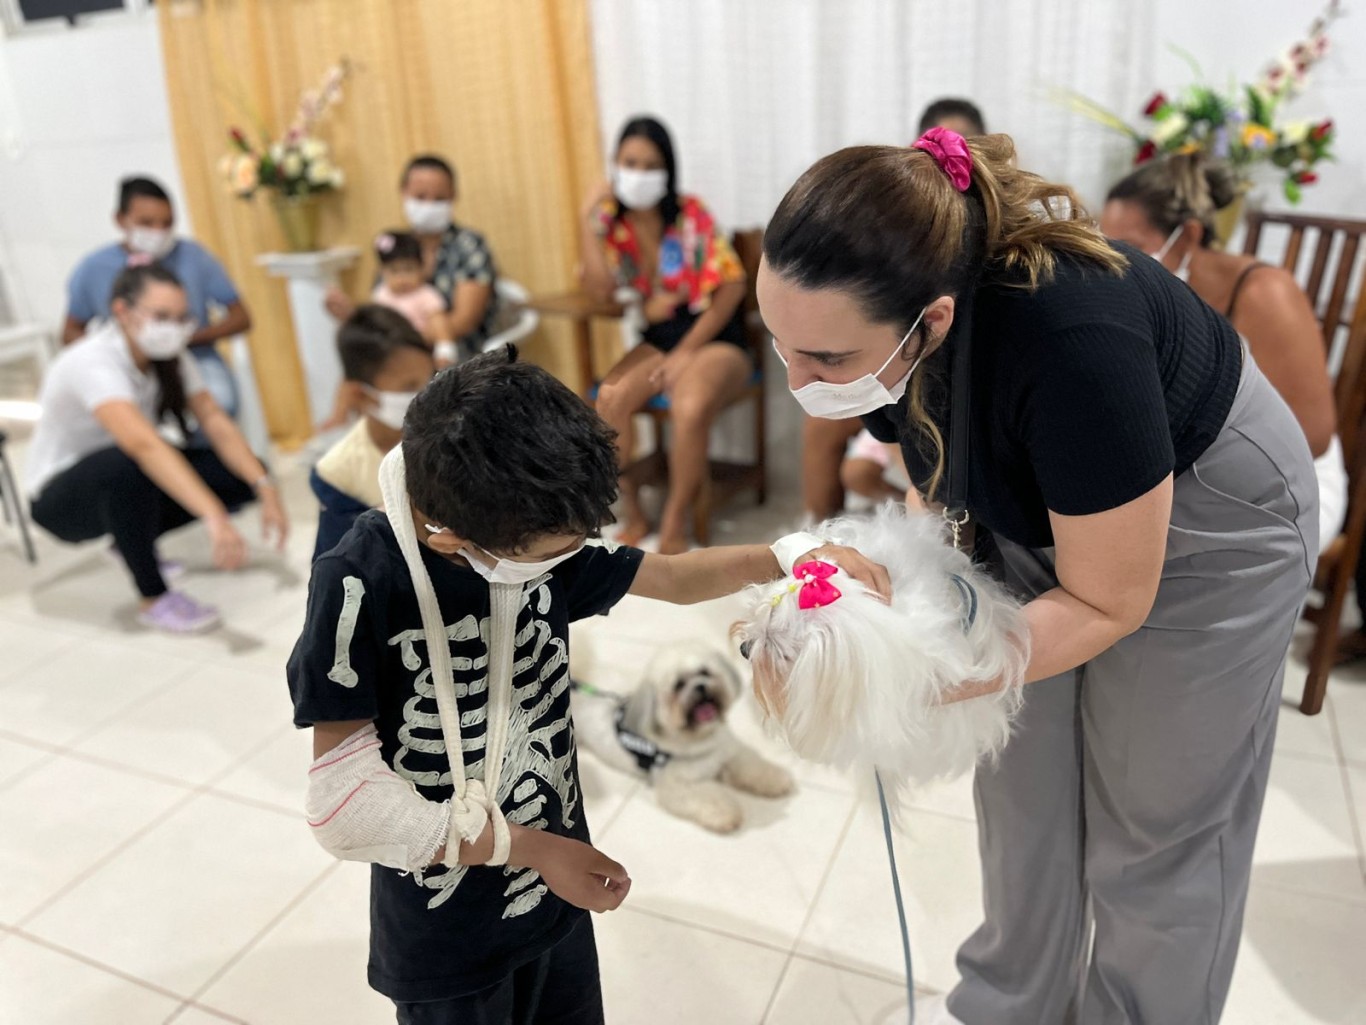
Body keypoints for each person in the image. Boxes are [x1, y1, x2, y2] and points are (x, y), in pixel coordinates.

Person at [759, 129, 1316, 1024]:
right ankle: (1008, 1004)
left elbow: (1108, 597)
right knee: (1020, 784)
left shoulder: (1072, 335)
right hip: (1048, 494)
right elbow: (931, 481)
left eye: (824, 361)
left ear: (932, 320)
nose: (798, 381)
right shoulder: (888, 324)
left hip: (1214, 519)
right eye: (781, 343)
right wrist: (908, 595)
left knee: (1156, 819)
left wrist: (918, 670)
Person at [287, 346, 885, 1024]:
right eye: (550, 557)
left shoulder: (529, 528)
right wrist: (537, 850)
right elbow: (343, 806)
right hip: (445, 933)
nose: (569, 566)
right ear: (456, 540)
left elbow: (674, 576)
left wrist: (792, 552)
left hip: (558, 892)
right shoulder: (356, 580)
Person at [1100, 153, 1346, 555]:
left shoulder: (1265, 293)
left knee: (1137, 547)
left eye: (1133, 247)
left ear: (1190, 235)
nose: (1117, 263)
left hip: (1291, 478)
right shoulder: (1140, 294)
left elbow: (1313, 438)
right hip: (1185, 463)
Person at [29, 264, 287, 633]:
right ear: (122, 311)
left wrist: (265, 485)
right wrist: (215, 517)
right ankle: (154, 596)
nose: (173, 327)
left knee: (236, 476)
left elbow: (213, 418)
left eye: (182, 317)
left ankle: (130, 539)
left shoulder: (170, 357)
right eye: (162, 316)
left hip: (124, 475)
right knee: (129, 464)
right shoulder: (91, 361)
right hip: (60, 500)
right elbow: (141, 443)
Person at [803, 100, 988, 523]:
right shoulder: (893, 230)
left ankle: (935, 503)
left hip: (955, 380)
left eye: (961, 147)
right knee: (824, 421)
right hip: (904, 372)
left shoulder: (992, 231)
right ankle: (816, 532)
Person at [579, 116, 750, 553]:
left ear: (668, 170)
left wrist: (685, 355)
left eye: (650, 165)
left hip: (715, 336)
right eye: (629, 162)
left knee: (688, 407)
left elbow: (732, 287)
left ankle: (675, 520)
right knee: (610, 398)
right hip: (661, 336)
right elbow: (599, 289)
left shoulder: (691, 213)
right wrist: (585, 219)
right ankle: (633, 505)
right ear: (614, 166)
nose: (638, 173)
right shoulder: (613, 226)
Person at [63, 176, 252, 418]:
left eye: (167, 223)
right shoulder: (93, 268)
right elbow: (70, 330)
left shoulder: (194, 257)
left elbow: (241, 315)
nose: (158, 232)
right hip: (129, 369)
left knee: (218, 407)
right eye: (147, 223)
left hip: (193, 358)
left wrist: (184, 337)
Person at [327, 154, 498, 364]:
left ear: (454, 196)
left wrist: (404, 346)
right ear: (404, 193)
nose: (429, 205)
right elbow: (383, 312)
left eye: (439, 198)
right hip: (397, 354)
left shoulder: (469, 245)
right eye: (420, 196)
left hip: (456, 356)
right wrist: (354, 316)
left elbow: (464, 321)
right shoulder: (395, 247)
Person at [310, 305, 436, 561]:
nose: (426, 395)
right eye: (409, 386)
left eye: (431, 378)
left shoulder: (451, 433)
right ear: (361, 394)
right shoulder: (339, 474)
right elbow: (337, 571)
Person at [371, 230, 456, 354]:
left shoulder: (426, 294)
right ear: (382, 271)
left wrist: (444, 347)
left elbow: (439, 323)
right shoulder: (381, 294)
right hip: (389, 351)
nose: (402, 279)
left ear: (422, 269)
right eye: (394, 271)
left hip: (421, 349)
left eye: (408, 269)